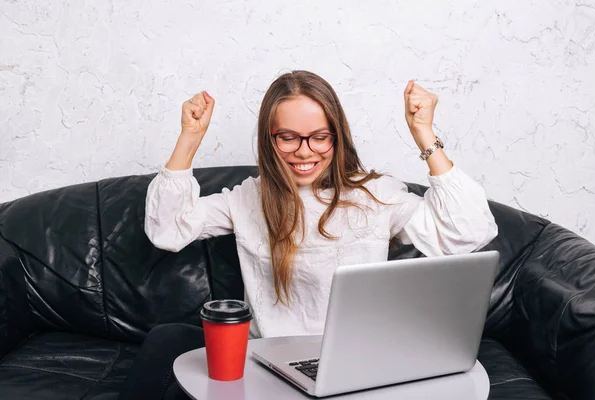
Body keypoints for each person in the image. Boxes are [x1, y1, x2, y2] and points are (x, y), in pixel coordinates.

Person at [118, 70, 498, 399]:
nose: (305, 152)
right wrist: (190, 138)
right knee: (167, 338)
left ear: (337, 136)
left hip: (355, 363)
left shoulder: (376, 195)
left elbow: (469, 231)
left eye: (320, 136)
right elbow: (165, 229)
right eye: (289, 137)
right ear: (270, 138)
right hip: (266, 362)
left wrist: (424, 133)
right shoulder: (249, 197)